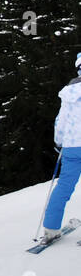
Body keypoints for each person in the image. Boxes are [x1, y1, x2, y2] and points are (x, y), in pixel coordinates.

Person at [43, 52, 81, 242]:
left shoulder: (69, 94)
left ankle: (51, 228)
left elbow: (61, 122)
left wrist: (59, 142)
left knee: (64, 186)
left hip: (72, 146)